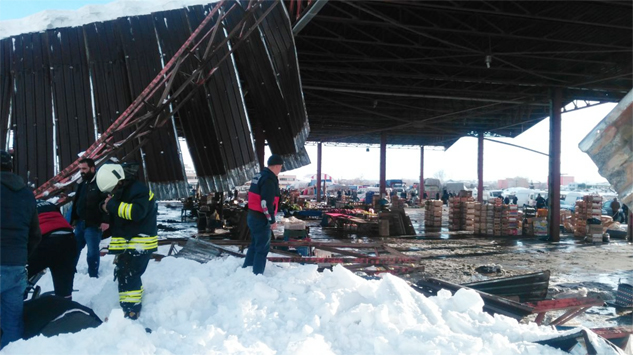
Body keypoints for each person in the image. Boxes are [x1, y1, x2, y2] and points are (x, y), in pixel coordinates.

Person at [97, 163, 157, 320]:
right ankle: (130, 306)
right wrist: (105, 207)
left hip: (139, 243)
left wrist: (112, 205)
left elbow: (136, 213)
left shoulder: (139, 191)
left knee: (130, 276)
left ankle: (131, 312)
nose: (113, 192)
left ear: (120, 180)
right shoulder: (124, 190)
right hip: (129, 243)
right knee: (126, 275)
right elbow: (118, 212)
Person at [0, 150, 41, 348]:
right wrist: (21, 258)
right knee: (12, 323)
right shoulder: (27, 195)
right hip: (16, 266)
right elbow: (35, 235)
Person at [28, 200, 77, 299]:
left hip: (45, 241)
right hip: (69, 240)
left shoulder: (19, 206)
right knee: (64, 284)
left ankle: (15, 300)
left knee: (18, 274)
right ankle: (65, 302)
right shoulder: (48, 204)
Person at [243, 155, 282, 275]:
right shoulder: (269, 179)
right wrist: (271, 220)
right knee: (262, 249)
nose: (280, 170)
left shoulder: (259, 176)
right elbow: (265, 203)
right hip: (261, 218)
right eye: (280, 167)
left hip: (252, 215)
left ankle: (246, 269)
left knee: (255, 244)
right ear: (276, 166)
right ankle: (257, 274)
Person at [71, 158, 107, 278]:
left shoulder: (101, 183)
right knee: (74, 249)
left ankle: (93, 275)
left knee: (92, 252)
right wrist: (74, 219)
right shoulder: (82, 183)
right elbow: (77, 202)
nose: (82, 171)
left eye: (84, 169)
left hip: (93, 224)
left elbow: (107, 203)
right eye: (80, 169)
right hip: (80, 223)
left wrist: (105, 220)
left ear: (92, 168)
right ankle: (71, 272)